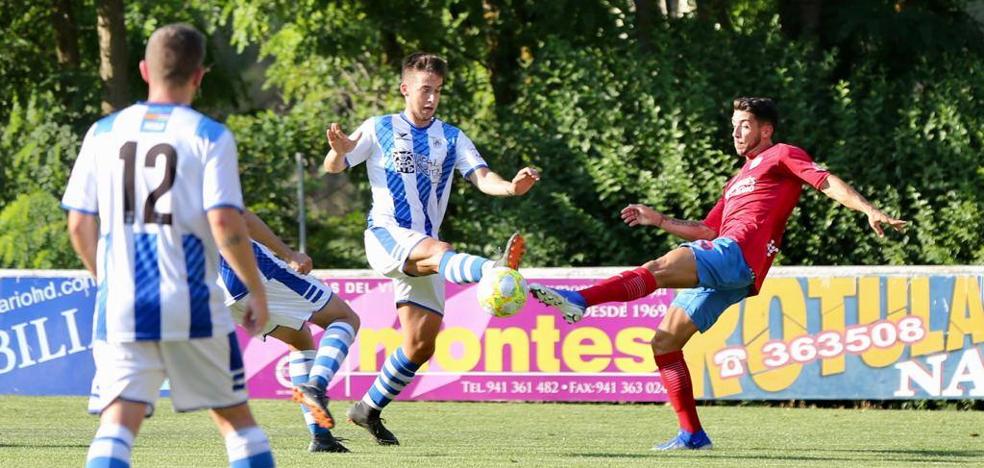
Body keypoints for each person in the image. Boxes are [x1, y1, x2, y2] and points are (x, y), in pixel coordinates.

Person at [530, 97, 906, 451]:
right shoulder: (737, 179)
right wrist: (659, 220)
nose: (737, 133)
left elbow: (826, 182)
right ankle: (692, 434)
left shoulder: (782, 154)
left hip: (736, 256)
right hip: (731, 267)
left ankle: (581, 300)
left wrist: (868, 209)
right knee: (664, 343)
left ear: (766, 129)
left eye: (745, 126)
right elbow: (708, 230)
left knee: (658, 269)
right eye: (734, 127)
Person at [62, 24, 275, 467]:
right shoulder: (210, 135)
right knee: (238, 424)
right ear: (199, 75)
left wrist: (105, 279)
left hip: (121, 305)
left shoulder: (103, 132)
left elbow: (79, 223)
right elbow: (224, 220)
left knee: (117, 424)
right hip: (191, 303)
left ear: (144, 70)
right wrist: (254, 288)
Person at [322, 52, 540, 446]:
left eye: (437, 91)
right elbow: (334, 166)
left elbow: (482, 175)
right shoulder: (379, 127)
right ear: (405, 89)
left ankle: (367, 408)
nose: (431, 99)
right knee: (440, 249)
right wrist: (339, 148)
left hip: (426, 251)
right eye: (425, 90)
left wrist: (510, 186)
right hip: (388, 235)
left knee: (421, 345)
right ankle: (491, 269)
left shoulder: (452, 136)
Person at [216, 211, 360, 453]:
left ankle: (322, 437)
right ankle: (316, 385)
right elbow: (240, 218)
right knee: (344, 318)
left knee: (300, 339)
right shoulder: (200, 174)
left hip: (214, 291)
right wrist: (290, 254)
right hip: (245, 269)